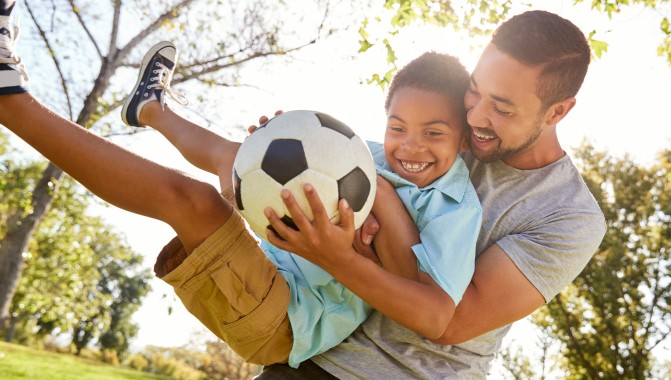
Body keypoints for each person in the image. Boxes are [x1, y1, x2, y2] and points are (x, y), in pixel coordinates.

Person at [0, 6, 483, 368]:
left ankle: (10, 99)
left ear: (463, 139)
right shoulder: (368, 154)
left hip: (287, 322)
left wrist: (379, 197)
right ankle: (151, 109)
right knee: (236, 158)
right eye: (398, 128)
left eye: (434, 134)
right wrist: (271, 151)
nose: (410, 147)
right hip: (272, 267)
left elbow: (429, 306)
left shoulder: (455, 206)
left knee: (194, 202)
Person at [256, 9, 607, 379]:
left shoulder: (569, 215)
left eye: (501, 108)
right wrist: (275, 150)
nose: (474, 117)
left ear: (558, 111)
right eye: (475, 90)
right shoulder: (438, 131)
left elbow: (451, 322)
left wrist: (344, 254)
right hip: (311, 356)